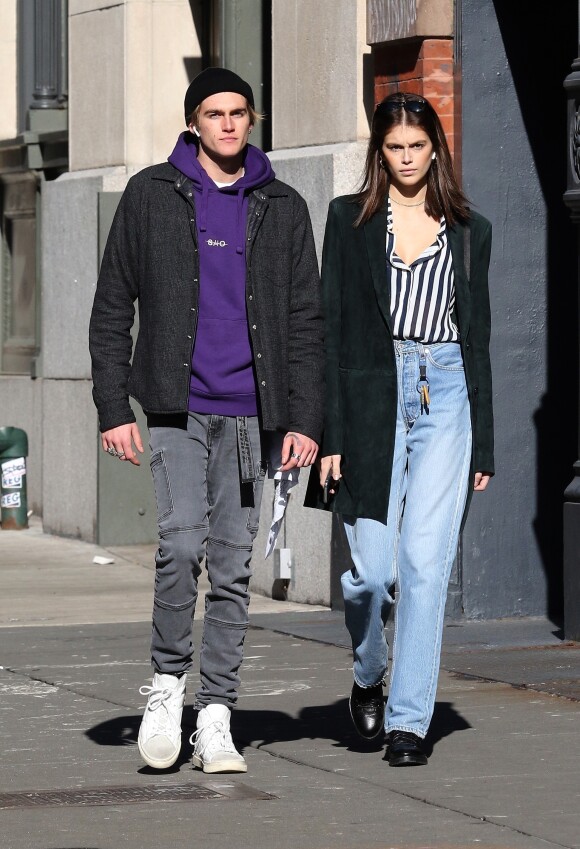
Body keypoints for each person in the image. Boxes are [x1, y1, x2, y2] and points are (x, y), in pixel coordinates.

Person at [89, 68, 323, 774]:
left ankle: (215, 711)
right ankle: (167, 686)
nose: (227, 124)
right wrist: (110, 408)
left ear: (252, 121)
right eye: (214, 114)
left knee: (230, 564)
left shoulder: (282, 206)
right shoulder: (150, 196)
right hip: (174, 407)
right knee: (181, 544)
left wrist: (304, 418)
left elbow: (306, 323)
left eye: (239, 113)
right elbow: (110, 310)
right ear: (193, 122)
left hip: (254, 417)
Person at [312, 91, 493, 766]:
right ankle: (368, 672)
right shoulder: (348, 220)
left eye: (418, 145)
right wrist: (328, 432)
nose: (408, 157)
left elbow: (478, 340)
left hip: (446, 394)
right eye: (395, 146)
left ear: (435, 149)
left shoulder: (470, 229)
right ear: (379, 152)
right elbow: (328, 329)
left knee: (424, 565)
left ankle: (409, 722)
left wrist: (488, 442)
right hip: (370, 397)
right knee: (368, 575)